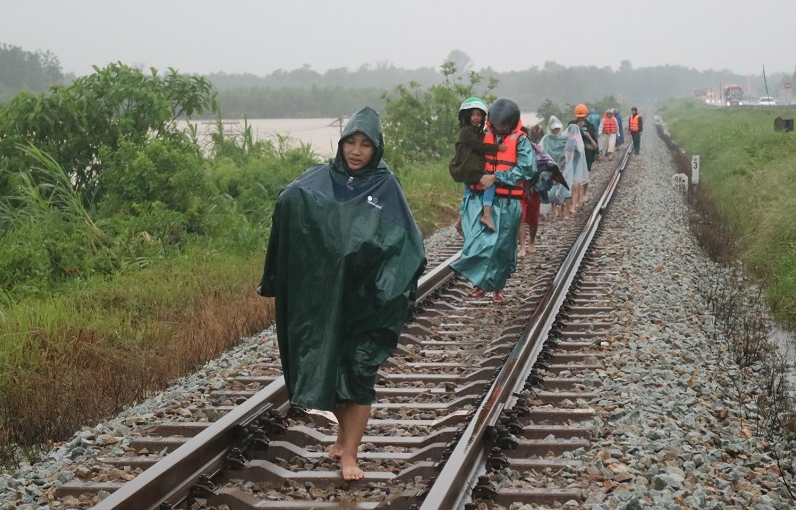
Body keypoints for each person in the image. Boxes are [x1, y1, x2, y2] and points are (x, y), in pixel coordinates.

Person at [257, 106, 427, 481]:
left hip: (369, 305)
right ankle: (340, 438)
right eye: (350, 141)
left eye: (366, 144)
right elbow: (289, 206)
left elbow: (409, 246)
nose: (356, 150)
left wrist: (388, 290)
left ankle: (351, 453)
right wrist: (276, 277)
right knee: (333, 373)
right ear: (341, 143)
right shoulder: (320, 180)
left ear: (376, 149)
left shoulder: (386, 188)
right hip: (329, 303)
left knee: (360, 375)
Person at [450, 98, 537, 304]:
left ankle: (497, 288)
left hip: (507, 202)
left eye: (503, 125)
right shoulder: (481, 135)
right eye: (495, 124)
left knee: (503, 248)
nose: (498, 128)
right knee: (477, 242)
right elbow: (468, 163)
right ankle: (479, 284)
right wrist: (463, 210)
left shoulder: (520, 140)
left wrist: (497, 177)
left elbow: (527, 169)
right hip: (477, 198)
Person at [449, 97, 506, 232]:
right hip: (470, 169)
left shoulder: (474, 132)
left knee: (468, 191)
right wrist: (497, 148)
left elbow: (479, 139)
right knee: (489, 184)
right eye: (473, 114)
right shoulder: (467, 131)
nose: (475, 118)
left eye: (478, 115)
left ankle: (460, 221)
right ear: (467, 116)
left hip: (467, 170)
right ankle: (486, 215)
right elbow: (479, 146)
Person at [539, 116, 571, 219]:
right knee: (551, 189)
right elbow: (541, 152)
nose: (556, 130)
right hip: (551, 167)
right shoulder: (546, 139)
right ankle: (553, 208)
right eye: (554, 129)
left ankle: (565, 211)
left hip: (563, 167)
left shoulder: (564, 139)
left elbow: (568, 152)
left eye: (557, 128)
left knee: (565, 189)